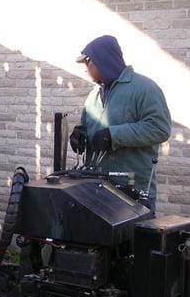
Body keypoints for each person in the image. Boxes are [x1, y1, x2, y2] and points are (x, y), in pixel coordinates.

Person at [70, 35, 171, 212]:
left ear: (101, 61)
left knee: (130, 240)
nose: (85, 70)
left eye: (87, 63)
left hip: (132, 191)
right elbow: (87, 126)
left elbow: (160, 128)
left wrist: (114, 135)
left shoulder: (144, 89)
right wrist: (79, 135)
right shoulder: (94, 95)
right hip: (96, 187)